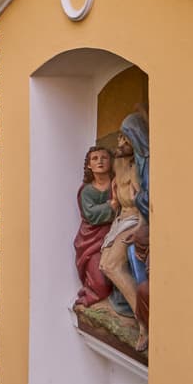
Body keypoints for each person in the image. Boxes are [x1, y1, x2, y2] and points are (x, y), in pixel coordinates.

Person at [100, 129, 148, 351]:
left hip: (133, 219)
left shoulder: (137, 167)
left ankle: (144, 324)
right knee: (103, 265)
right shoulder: (118, 164)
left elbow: (141, 200)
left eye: (126, 138)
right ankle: (132, 311)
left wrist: (140, 226)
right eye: (119, 137)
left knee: (112, 266)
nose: (120, 142)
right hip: (120, 219)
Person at [73, 145, 114, 306]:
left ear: (110, 162)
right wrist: (112, 205)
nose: (100, 161)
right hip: (91, 241)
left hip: (116, 233)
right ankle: (92, 292)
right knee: (101, 284)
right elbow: (91, 215)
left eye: (104, 158)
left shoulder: (117, 184)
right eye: (95, 159)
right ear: (89, 165)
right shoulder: (87, 191)